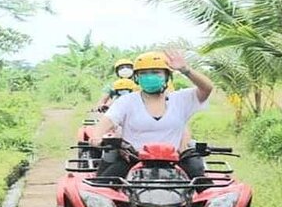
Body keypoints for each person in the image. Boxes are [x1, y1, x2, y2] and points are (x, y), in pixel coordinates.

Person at [90, 50, 214, 178]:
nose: (149, 77)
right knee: (103, 187)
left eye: (156, 72)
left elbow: (207, 88)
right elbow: (108, 120)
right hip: (132, 159)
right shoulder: (126, 101)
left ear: (167, 76)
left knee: (203, 188)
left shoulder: (181, 99)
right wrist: (97, 136)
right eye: (143, 73)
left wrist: (185, 69)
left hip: (173, 161)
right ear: (137, 78)